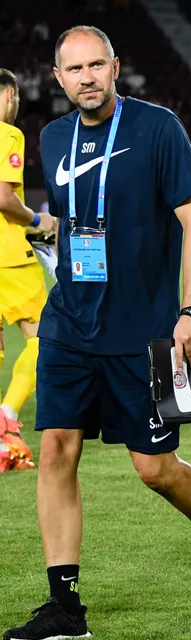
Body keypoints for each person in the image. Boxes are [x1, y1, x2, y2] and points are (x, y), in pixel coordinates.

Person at [2, 25, 191, 640]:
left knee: (154, 469)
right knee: (56, 450)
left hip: (143, 331)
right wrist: (46, 234)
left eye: (96, 65)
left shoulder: (158, 128)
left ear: (115, 67)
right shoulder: (52, 138)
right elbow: (73, 219)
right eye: (74, 69)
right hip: (70, 323)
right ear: (57, 79)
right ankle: (64, 605)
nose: (86, 77)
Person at [0, 67, 57, 472]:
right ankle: (6, 415)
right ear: (8, 96)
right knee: (46, 337)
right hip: (9, 257)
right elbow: (4, 198)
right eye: (16, 97)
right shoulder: (8, 135)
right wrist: (38, 221)